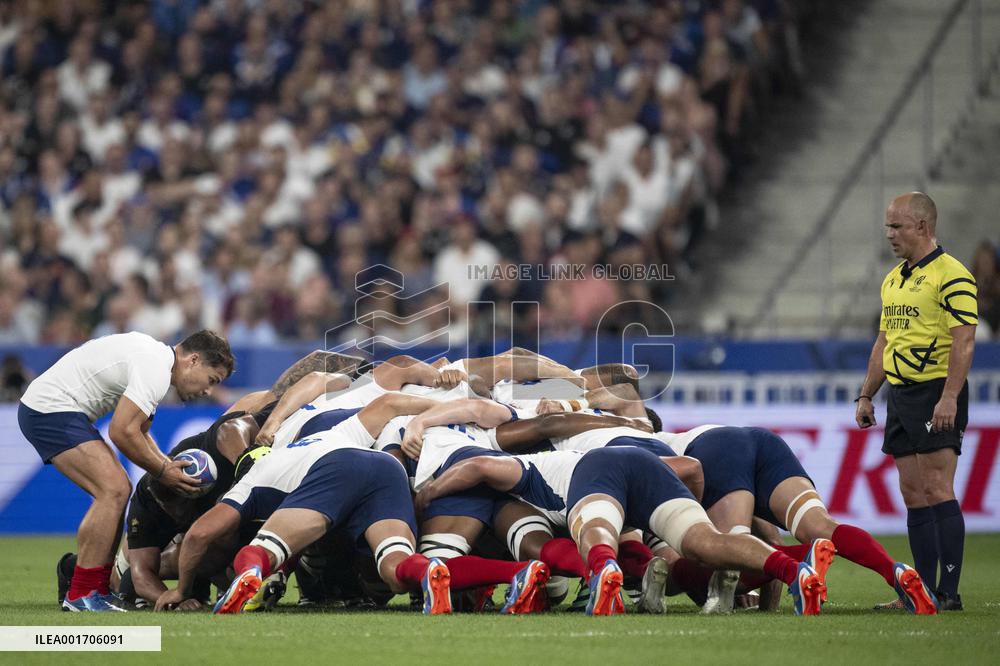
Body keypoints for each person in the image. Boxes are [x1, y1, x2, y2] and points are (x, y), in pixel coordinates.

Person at [18, 329, 235, 611]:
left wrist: (166, 466)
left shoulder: (156, 360)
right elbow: (122, 432)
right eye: (211, 380)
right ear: (193, 360)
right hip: (49, 409)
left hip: (52, 409)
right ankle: (82, 594)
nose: (207, 390)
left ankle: (90, 585)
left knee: (114, 491)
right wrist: (163, 471)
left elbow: (141, 431)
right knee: (114, 490)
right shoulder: (155, 367)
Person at [856, 192, 977, 611]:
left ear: (923, 227)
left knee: (937, 486)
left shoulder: (953, 275)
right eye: (888, 226)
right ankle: (921, 591)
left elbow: (964, 341)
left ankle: (949, 592)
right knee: (911, 492)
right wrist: (867, 392)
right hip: (900, 394)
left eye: (897, 226)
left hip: (935, 392)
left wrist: (949, 397)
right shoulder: (894, 279)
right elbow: (884, 341)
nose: (890, 234)